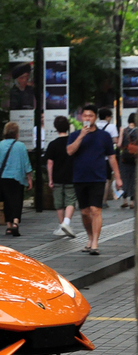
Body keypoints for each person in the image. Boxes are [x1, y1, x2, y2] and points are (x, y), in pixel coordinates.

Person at [67, 104, 123, 255]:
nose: (87, 119)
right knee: (85, 212)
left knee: (95, 210)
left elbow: (112, 157)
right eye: (85, 116)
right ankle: (90, 238)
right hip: (80, 177)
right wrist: (81, 136)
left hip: (98, 177)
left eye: (90, 116)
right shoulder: (75, 135)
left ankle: (95, 244)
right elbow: (70, 151)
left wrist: (118, 178)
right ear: (81, 117)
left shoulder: (103, 136)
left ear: (95, 117)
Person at [0, 122, 33, 236]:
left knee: (7, 202)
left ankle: (8, 226)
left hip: (3, 177)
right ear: (17, 134)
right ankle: (15, 223)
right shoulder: (21, 146)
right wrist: (29, 178)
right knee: (17, 200)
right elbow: (26, 164)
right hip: (17, 178)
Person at [44, 116, 76, 237]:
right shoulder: (72, 143)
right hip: (71, 177)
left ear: (56, 128)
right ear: (68, 127)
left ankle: (62, 224)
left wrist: (50, 179)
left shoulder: (53, 145)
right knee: (70, 200)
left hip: (57, 177)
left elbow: (50, 163)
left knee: (59, 203)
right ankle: (66, 224)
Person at [95, 107, 119, 208]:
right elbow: (116, 141)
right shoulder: (112, 127)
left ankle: (95, 199)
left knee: (95, 178)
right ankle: (103, 201)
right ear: (107, 117)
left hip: (95, 157)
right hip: (106, 157)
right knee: (107, 179)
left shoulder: (94, 126)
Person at [117, 113, 137, 209]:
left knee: (124, 178)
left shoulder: (123, 130)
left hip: (124, 158)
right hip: (135, 158)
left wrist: (121, 135)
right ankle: (132, 202)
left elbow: (119, 144)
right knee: (134, 179)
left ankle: (124, 200)